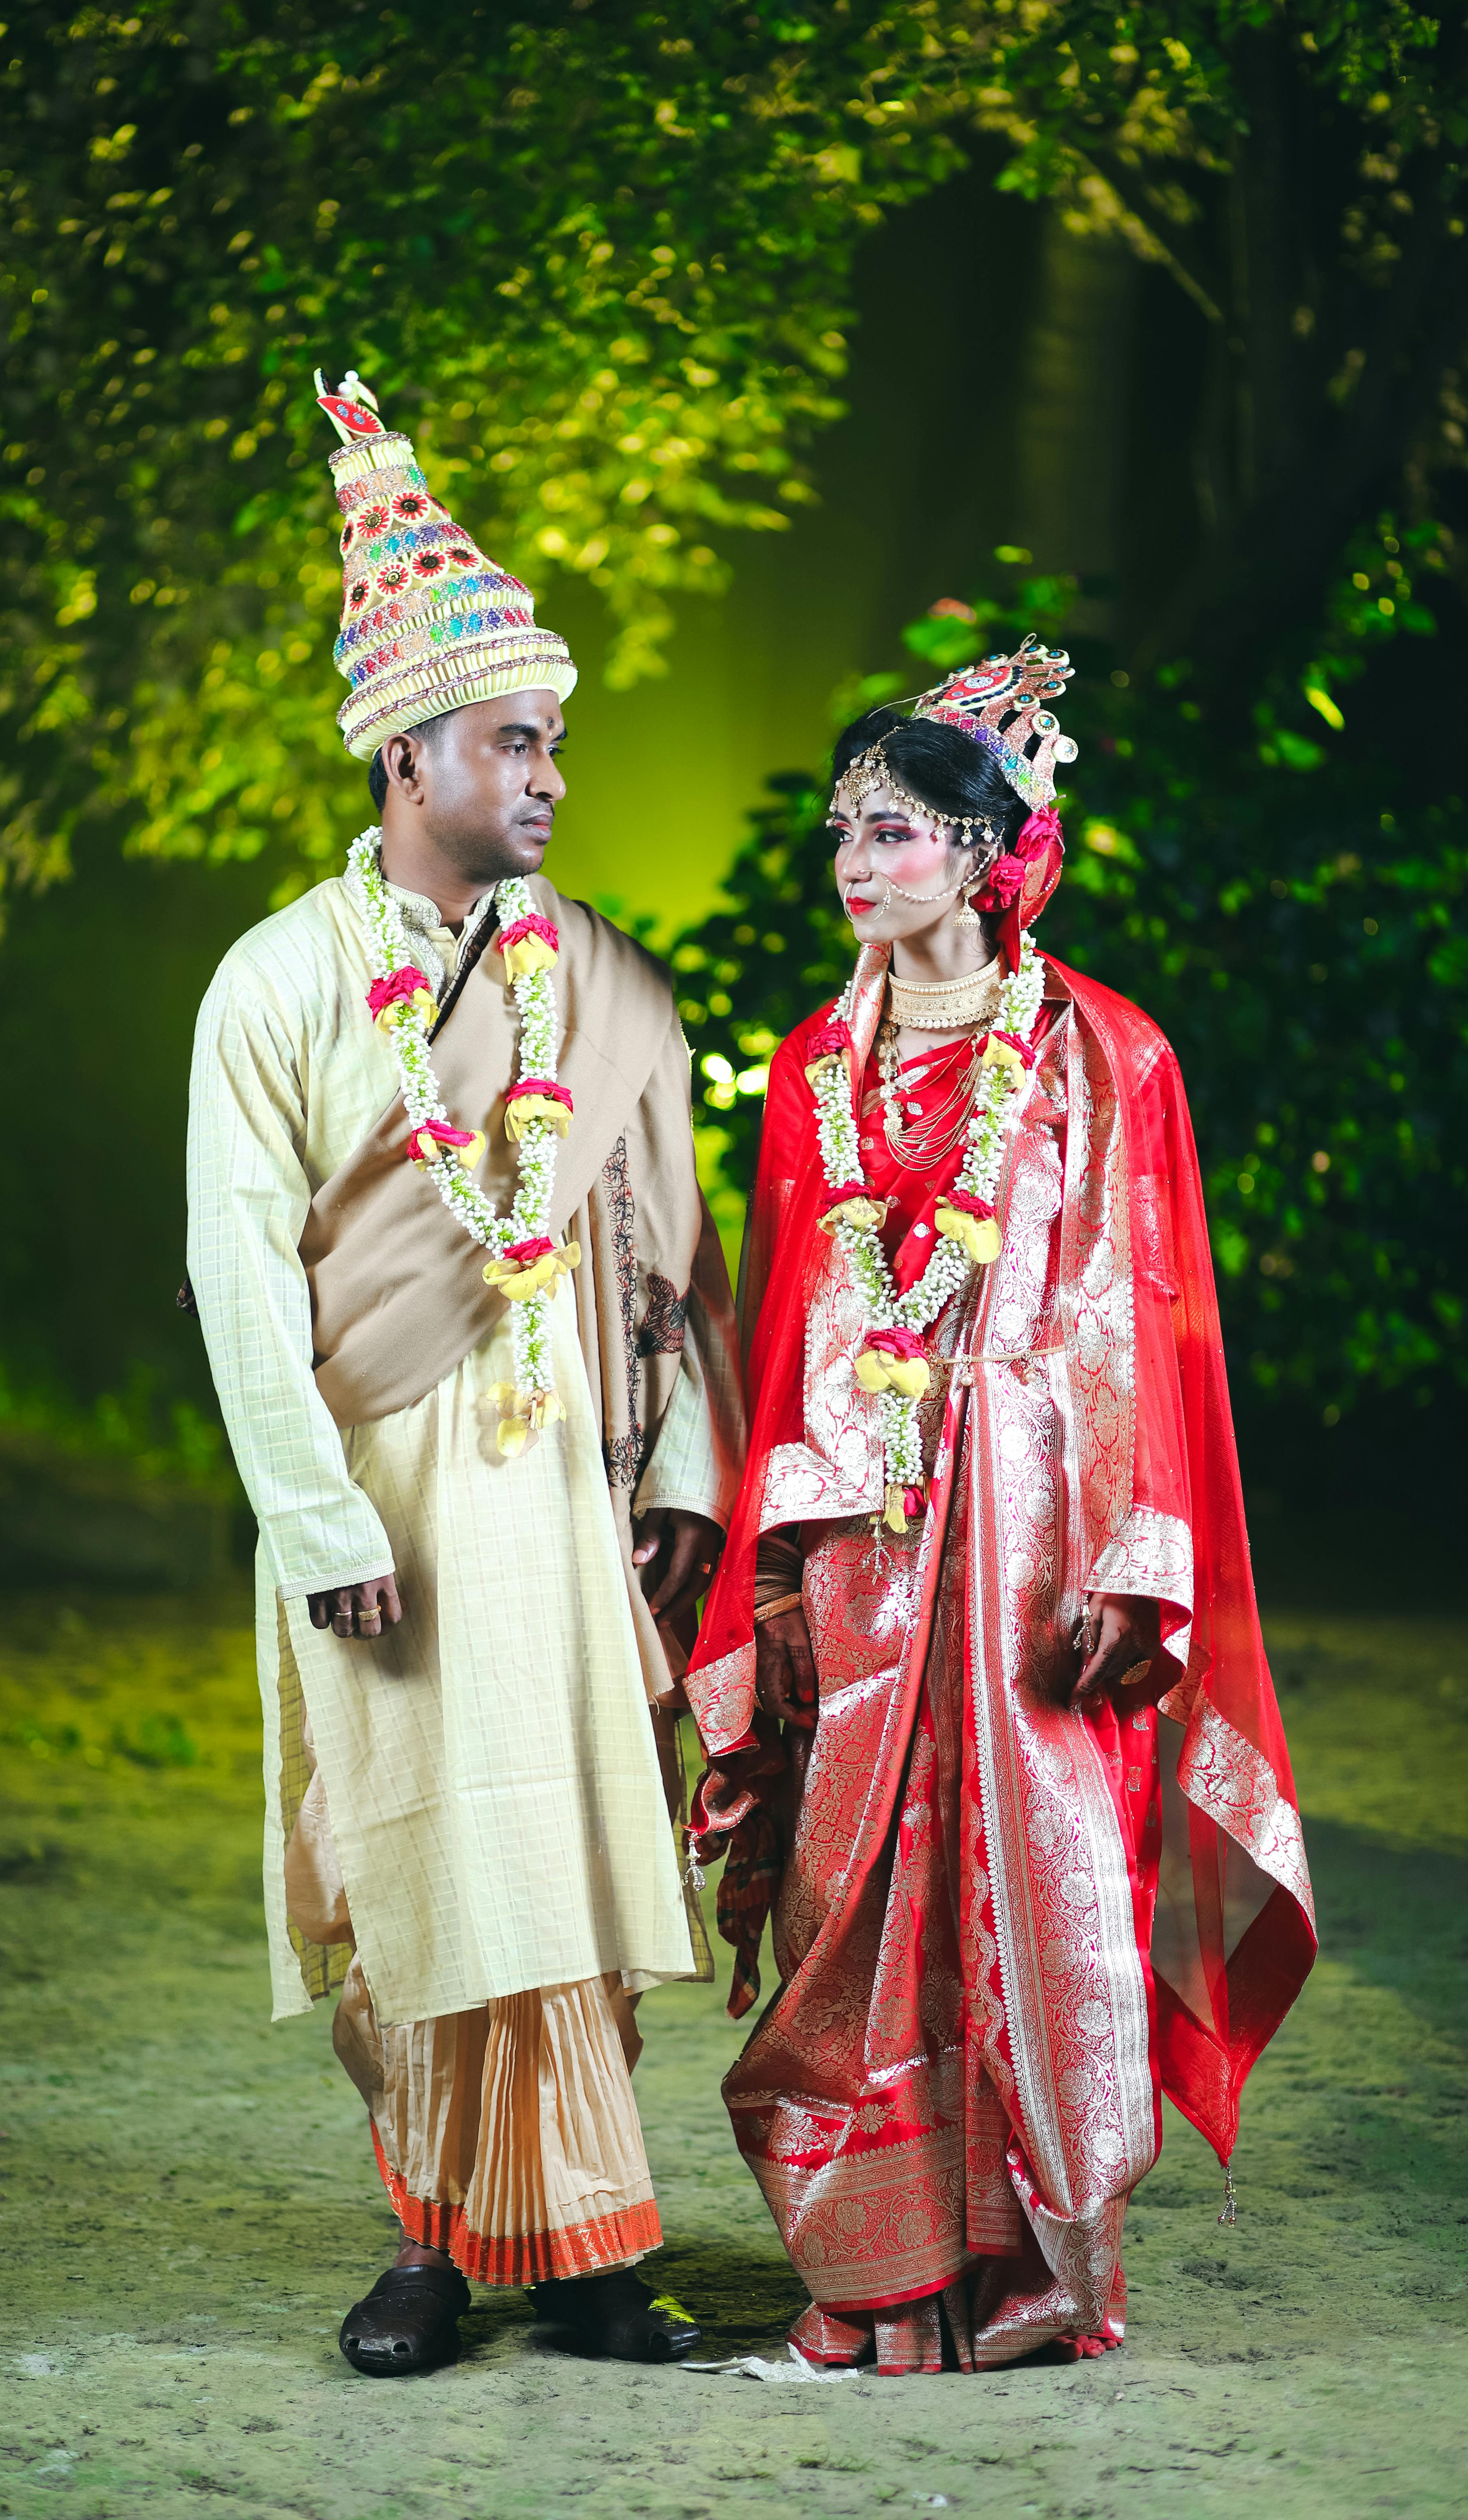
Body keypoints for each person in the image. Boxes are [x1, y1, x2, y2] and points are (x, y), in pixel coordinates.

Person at [186, 370, 741, 2377]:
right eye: (518, 742)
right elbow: (233, 1266)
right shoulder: (274, 979)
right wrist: (314, 1520)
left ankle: (589, 2254)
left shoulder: (600, 980)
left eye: (558, 743)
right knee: (413, 1859)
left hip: (559, 1504)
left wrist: (677, 1491)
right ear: (409, 753)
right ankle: (429, 2247)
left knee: (576, 1849)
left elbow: (671, 1262)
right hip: (383, 1515)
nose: (552, 777)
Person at [684, 638, 1316, 2375]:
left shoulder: (1105, 1057)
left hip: (1041, 1540)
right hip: (866, 1530)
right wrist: (784, 1559)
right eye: (843, 835)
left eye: (892, 832)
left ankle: (1029, 2274)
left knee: (1044, 1885)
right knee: (844, 1891)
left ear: (988, 852)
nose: (854, 865)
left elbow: (1144, 1313)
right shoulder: (815, 1062)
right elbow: (790, 1317)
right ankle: (871, 2278)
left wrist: (1137, 1552)